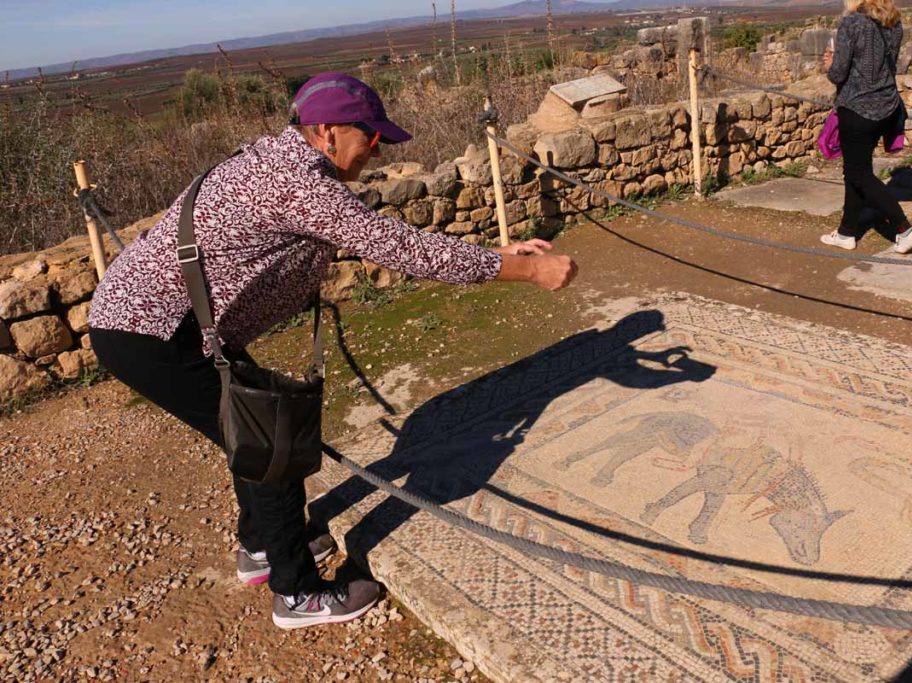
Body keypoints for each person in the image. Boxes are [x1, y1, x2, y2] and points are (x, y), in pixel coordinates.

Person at [88, 72, 578, 630]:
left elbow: (389, 241)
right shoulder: (296, 183)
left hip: (168, 326)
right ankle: (295, 593)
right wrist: (525, 269)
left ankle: (262, 548)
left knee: (253, 429)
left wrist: (496, 253)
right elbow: (398, 247)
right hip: (151, 332)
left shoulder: (283, 160)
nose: (376, 149)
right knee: (272, 443)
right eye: (369, 136)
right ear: (325, 131)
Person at [821, 0, 912, 254]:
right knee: (856, 170)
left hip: (857, 109)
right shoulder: (894, 23)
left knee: (859, 174)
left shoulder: (852, 22)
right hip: (886, 107)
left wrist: (829, 64)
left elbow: (838, 74)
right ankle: (846, 233)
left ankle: (904, 229)